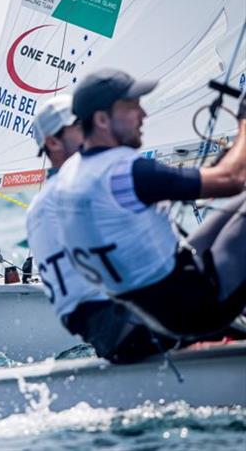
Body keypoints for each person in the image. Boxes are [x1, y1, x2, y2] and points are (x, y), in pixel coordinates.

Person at [50, 68, 246, 339]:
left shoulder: (71, 175)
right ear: (102, 119)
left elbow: (217, 182)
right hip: (200, 307)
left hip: (155, 311)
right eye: (132, 106)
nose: (143, 115)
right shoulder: (126, 173)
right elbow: (232, 178)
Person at [26, 95, 181, 362]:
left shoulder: (42, 204)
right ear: (53, 141)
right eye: (80, 125)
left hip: (105, 330)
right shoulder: (82, 190)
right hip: (129, 326)